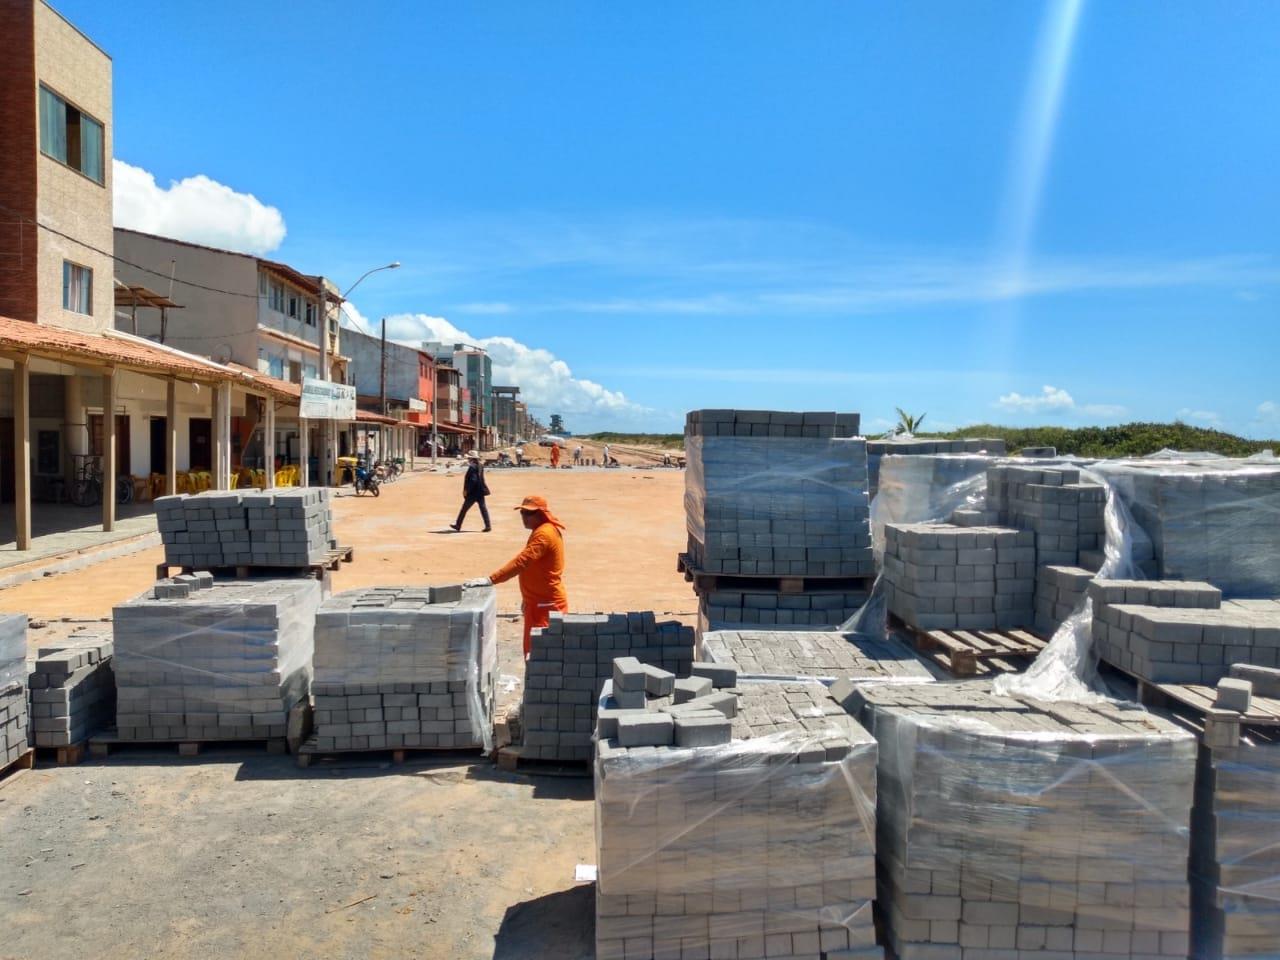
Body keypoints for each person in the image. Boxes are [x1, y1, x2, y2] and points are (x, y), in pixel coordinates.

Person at [465, 494, 568, 657]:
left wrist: (491, 579)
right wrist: (527, 598)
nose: (524, 518)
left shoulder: (544, 535)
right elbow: (535, 567)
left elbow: (522, 562)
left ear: (541, 513)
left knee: (539, 655)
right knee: (534, 653)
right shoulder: (542, 530)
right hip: (538, 602)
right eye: (522, 513)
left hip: (545, 606)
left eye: (529, 513)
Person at [449, 451, 491, 532]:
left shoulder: (472, 467)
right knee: (483, 509)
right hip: (480, 491)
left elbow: (473, 480)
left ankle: (458, 525)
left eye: (469, 458)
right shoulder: (481, 466)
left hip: (473, 493)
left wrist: (466, 490)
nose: (468, 459)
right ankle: (488, 525)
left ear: (471, 459)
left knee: (464, 509)